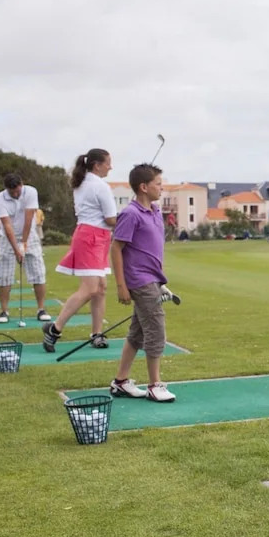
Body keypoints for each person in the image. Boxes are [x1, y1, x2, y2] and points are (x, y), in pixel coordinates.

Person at [108, 163, 176, 403]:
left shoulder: (155, 211)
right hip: (139, 280)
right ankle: (155, 385)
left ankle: (120, 381)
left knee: (137, 333)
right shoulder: (130, 214)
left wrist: (160, 282)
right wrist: (121, 286)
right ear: (144, 187)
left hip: (152, 279)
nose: (162, 187)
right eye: (158, 183)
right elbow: (116, 248)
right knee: (155, 330)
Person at [43, 149, 117, 353]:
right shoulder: (100, 186)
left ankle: (97, 334)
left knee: (101, 287)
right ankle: (54, 328)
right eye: (108, 163)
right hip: (91, 238)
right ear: (97, 165)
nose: (111, 167)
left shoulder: (83, 182)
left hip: (95, 237)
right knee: (90, 289)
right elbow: (111, 218)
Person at [0, 173, 51, 323]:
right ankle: (4, 311)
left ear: (21, 184)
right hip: (7, 238)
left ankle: (41, 309)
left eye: (17, 191)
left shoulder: (31, 192)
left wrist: (23, 244)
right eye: (12, 192)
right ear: (6, 189)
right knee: (4, 275)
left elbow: (28, 219)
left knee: (38, 272)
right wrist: (17, 250)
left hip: (30, 235)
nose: (16, 194)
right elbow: (7, 225)